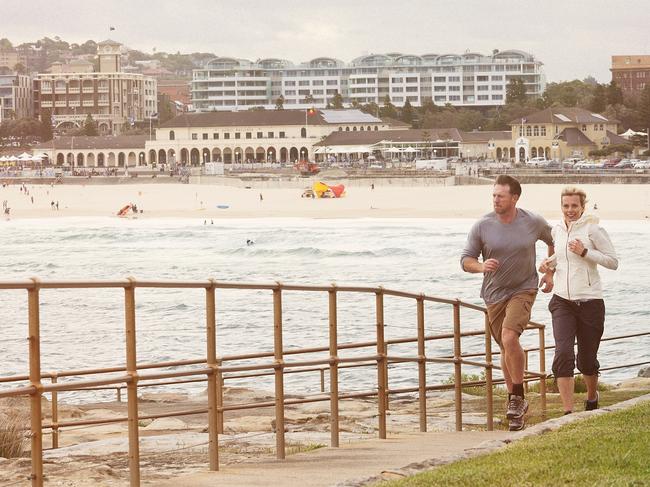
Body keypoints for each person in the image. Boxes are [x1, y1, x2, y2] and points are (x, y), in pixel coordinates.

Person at [461, 175, 554, 431]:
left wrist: (549, 272)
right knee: (505, 346)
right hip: (494, 294)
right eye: (493, 195)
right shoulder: (483, 225)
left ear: (514, 198)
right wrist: (480, 266)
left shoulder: (532, 221)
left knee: (510, 337)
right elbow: (466, 259)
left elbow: (555, 240)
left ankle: (517, 396)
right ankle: (515, 403)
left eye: (500, 196)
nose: (496, 200)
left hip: (524, 289)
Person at [539, 187, 618, 415]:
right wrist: (548, 266)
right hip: (562, 301)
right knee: (563, 353)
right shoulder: (557, 230)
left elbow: (613, 262)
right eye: (566, 206)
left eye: (574, 206)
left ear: (583, 206)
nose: (570, 210)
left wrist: (585, 252)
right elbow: (563, 257)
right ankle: (568, 413)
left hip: (591, 302)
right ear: (561, 206)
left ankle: (592, 396)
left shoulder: (593, 229)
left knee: (586, 360)